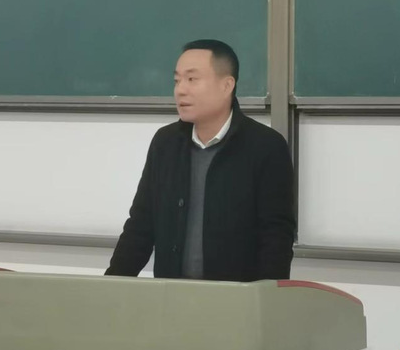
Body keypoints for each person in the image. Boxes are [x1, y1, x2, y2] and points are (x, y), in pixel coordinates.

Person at [106, 39, 296, 281]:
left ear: (226, 85)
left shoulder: (265, 146)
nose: (180, 90)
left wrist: (266, 299)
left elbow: (276, 238)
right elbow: (140, 226)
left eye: (192, 79)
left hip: (236, 298)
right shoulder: (165, 144)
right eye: (177, 81)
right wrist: (111, 286)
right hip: (171, 294)